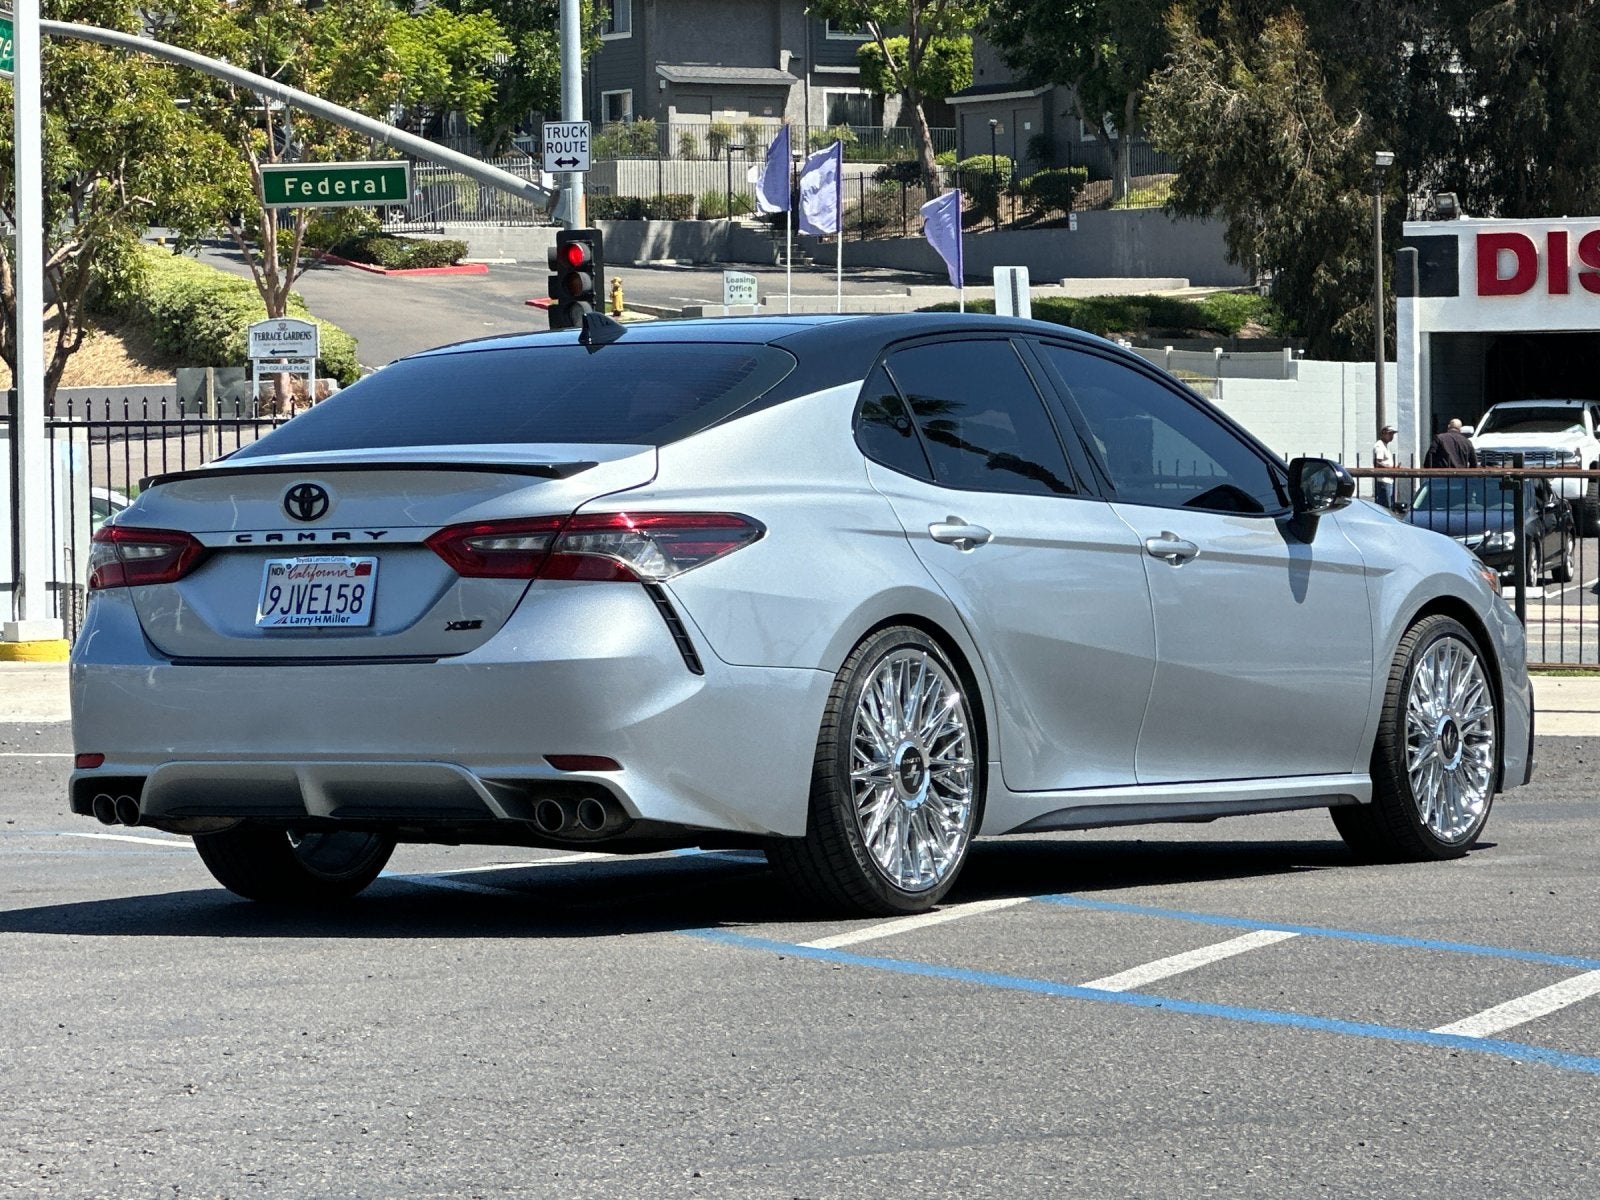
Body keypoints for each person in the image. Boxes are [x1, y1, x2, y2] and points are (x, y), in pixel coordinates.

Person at [1372, 423, 1397, 509]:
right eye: (1390, 433)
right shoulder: (1379, 446)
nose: (1391, 436)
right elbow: (1377, 463)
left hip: (1388, 480)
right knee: (1385, 506)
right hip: (1383, 480)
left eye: (1392, 434)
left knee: (1388, 505)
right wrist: (1391, 469)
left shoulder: (1385, 446)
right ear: (1383, 433)